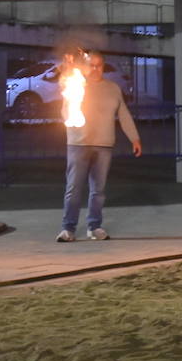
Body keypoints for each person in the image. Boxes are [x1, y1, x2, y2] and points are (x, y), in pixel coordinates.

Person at [56, 52, 142, 242]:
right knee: (74, 188)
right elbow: (65, 111)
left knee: (98, 190)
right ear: (85, 67)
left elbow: (124, 114)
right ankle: (68, 228)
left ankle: (94, 226)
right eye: (91, 65)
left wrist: (134, 138)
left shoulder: (113, 88)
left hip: (104, 145)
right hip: (79, 144)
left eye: (99, 65)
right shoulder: (76, 85)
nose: (95, 69)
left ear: (103, 67)